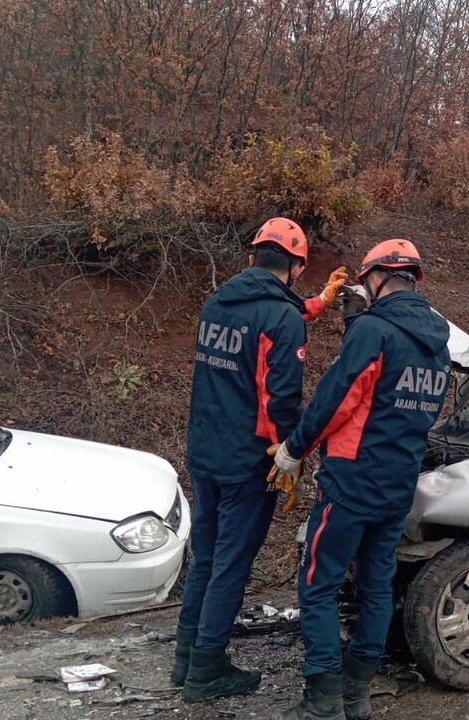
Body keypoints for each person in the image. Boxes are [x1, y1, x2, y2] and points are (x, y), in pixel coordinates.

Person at [269, 239, 451, 720]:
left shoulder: (374, 330)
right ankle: (357, 695)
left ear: (376, 277)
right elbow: (391, 395)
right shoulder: (439, 343)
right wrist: (357, 327)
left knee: (318, 584)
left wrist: (293, 449)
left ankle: (323, 700)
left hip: (351, 483)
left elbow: (338, 398)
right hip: (398, 484)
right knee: (375, 585)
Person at [173, 218, 335, 702]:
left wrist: (319, 304)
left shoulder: (218, 302)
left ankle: (186, 658)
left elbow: (265, 325)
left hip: (204, 450)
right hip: (248, 459)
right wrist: (291, 454)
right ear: (296, 267)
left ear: (252, 258)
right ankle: (207, 670)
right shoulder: (280, 318)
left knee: (205, 557)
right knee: (231, 564)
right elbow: (280, 398)